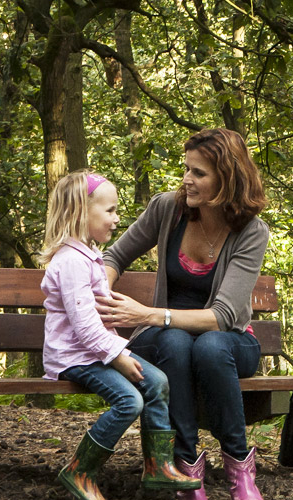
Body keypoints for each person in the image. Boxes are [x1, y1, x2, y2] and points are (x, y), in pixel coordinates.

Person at [98, 128, 271, 500]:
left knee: (208, 346)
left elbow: (222, 316)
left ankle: (240, 469)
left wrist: (147, 314)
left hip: (228, 342)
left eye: (199, 173)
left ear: (227, 179)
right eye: (186, 169)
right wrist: (100, 298)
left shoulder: (252, 232)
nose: (186, 180)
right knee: (177, 342)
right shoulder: (168, 208)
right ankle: (186, 470)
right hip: (166, 342)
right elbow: (113, 256)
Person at [38, 171, 202, 499]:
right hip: (74, 356)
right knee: (130, 401)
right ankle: (80, 469)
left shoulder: (90, 257)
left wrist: (117, 354)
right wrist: (119, 357)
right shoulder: (71, 262)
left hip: (95, 351)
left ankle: (159, 466)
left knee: (157, 381)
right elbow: (84, 327)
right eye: (110, 211)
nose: (116, 220)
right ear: (80, 213)